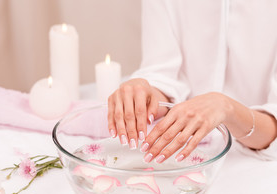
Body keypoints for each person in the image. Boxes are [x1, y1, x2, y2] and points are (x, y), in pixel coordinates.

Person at [108, 0, 277, 163]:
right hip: (181, 157)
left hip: (260, 163)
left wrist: (227, 108)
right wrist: (145, 93)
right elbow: (162, 74)